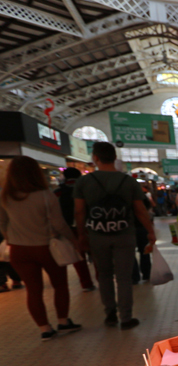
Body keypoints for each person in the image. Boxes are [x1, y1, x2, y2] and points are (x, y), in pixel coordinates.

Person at [74, 142, 156, 330]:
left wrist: (81, 234)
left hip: (97, 235)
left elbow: (79, 211)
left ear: (95, 158)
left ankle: (110, 313)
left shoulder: (84, 182)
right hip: (124, 234)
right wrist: (150, 231)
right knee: (124, 277)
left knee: (103, 275)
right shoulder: (128, 181)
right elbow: (140, 210)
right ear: (114, 157)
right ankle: (126, 317)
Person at [0, 156, 82, 340]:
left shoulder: (5, 196)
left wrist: (11, 239)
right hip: (47, 247)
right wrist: (73, 240)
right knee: (60, 285)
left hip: (19, 250)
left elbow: (3, 224)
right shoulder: (46, 195)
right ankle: (63, 322)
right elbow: (59, 224)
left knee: (33, 290)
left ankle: (45, 329)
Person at [54, 167, 96, 292]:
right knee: (97, 254)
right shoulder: (87, 189)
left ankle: (86, 283)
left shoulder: (58, 192)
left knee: (79, 257)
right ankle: (102, 279)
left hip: (69, 228)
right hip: (90, 226)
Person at [132, 184, 154, 283]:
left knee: (130, 253)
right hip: (142, 227)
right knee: (144, 252)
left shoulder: (125, 198)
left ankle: (134, 276)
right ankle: (147, 273)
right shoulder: (142, 198)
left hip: (129, 228)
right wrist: (150, 230)